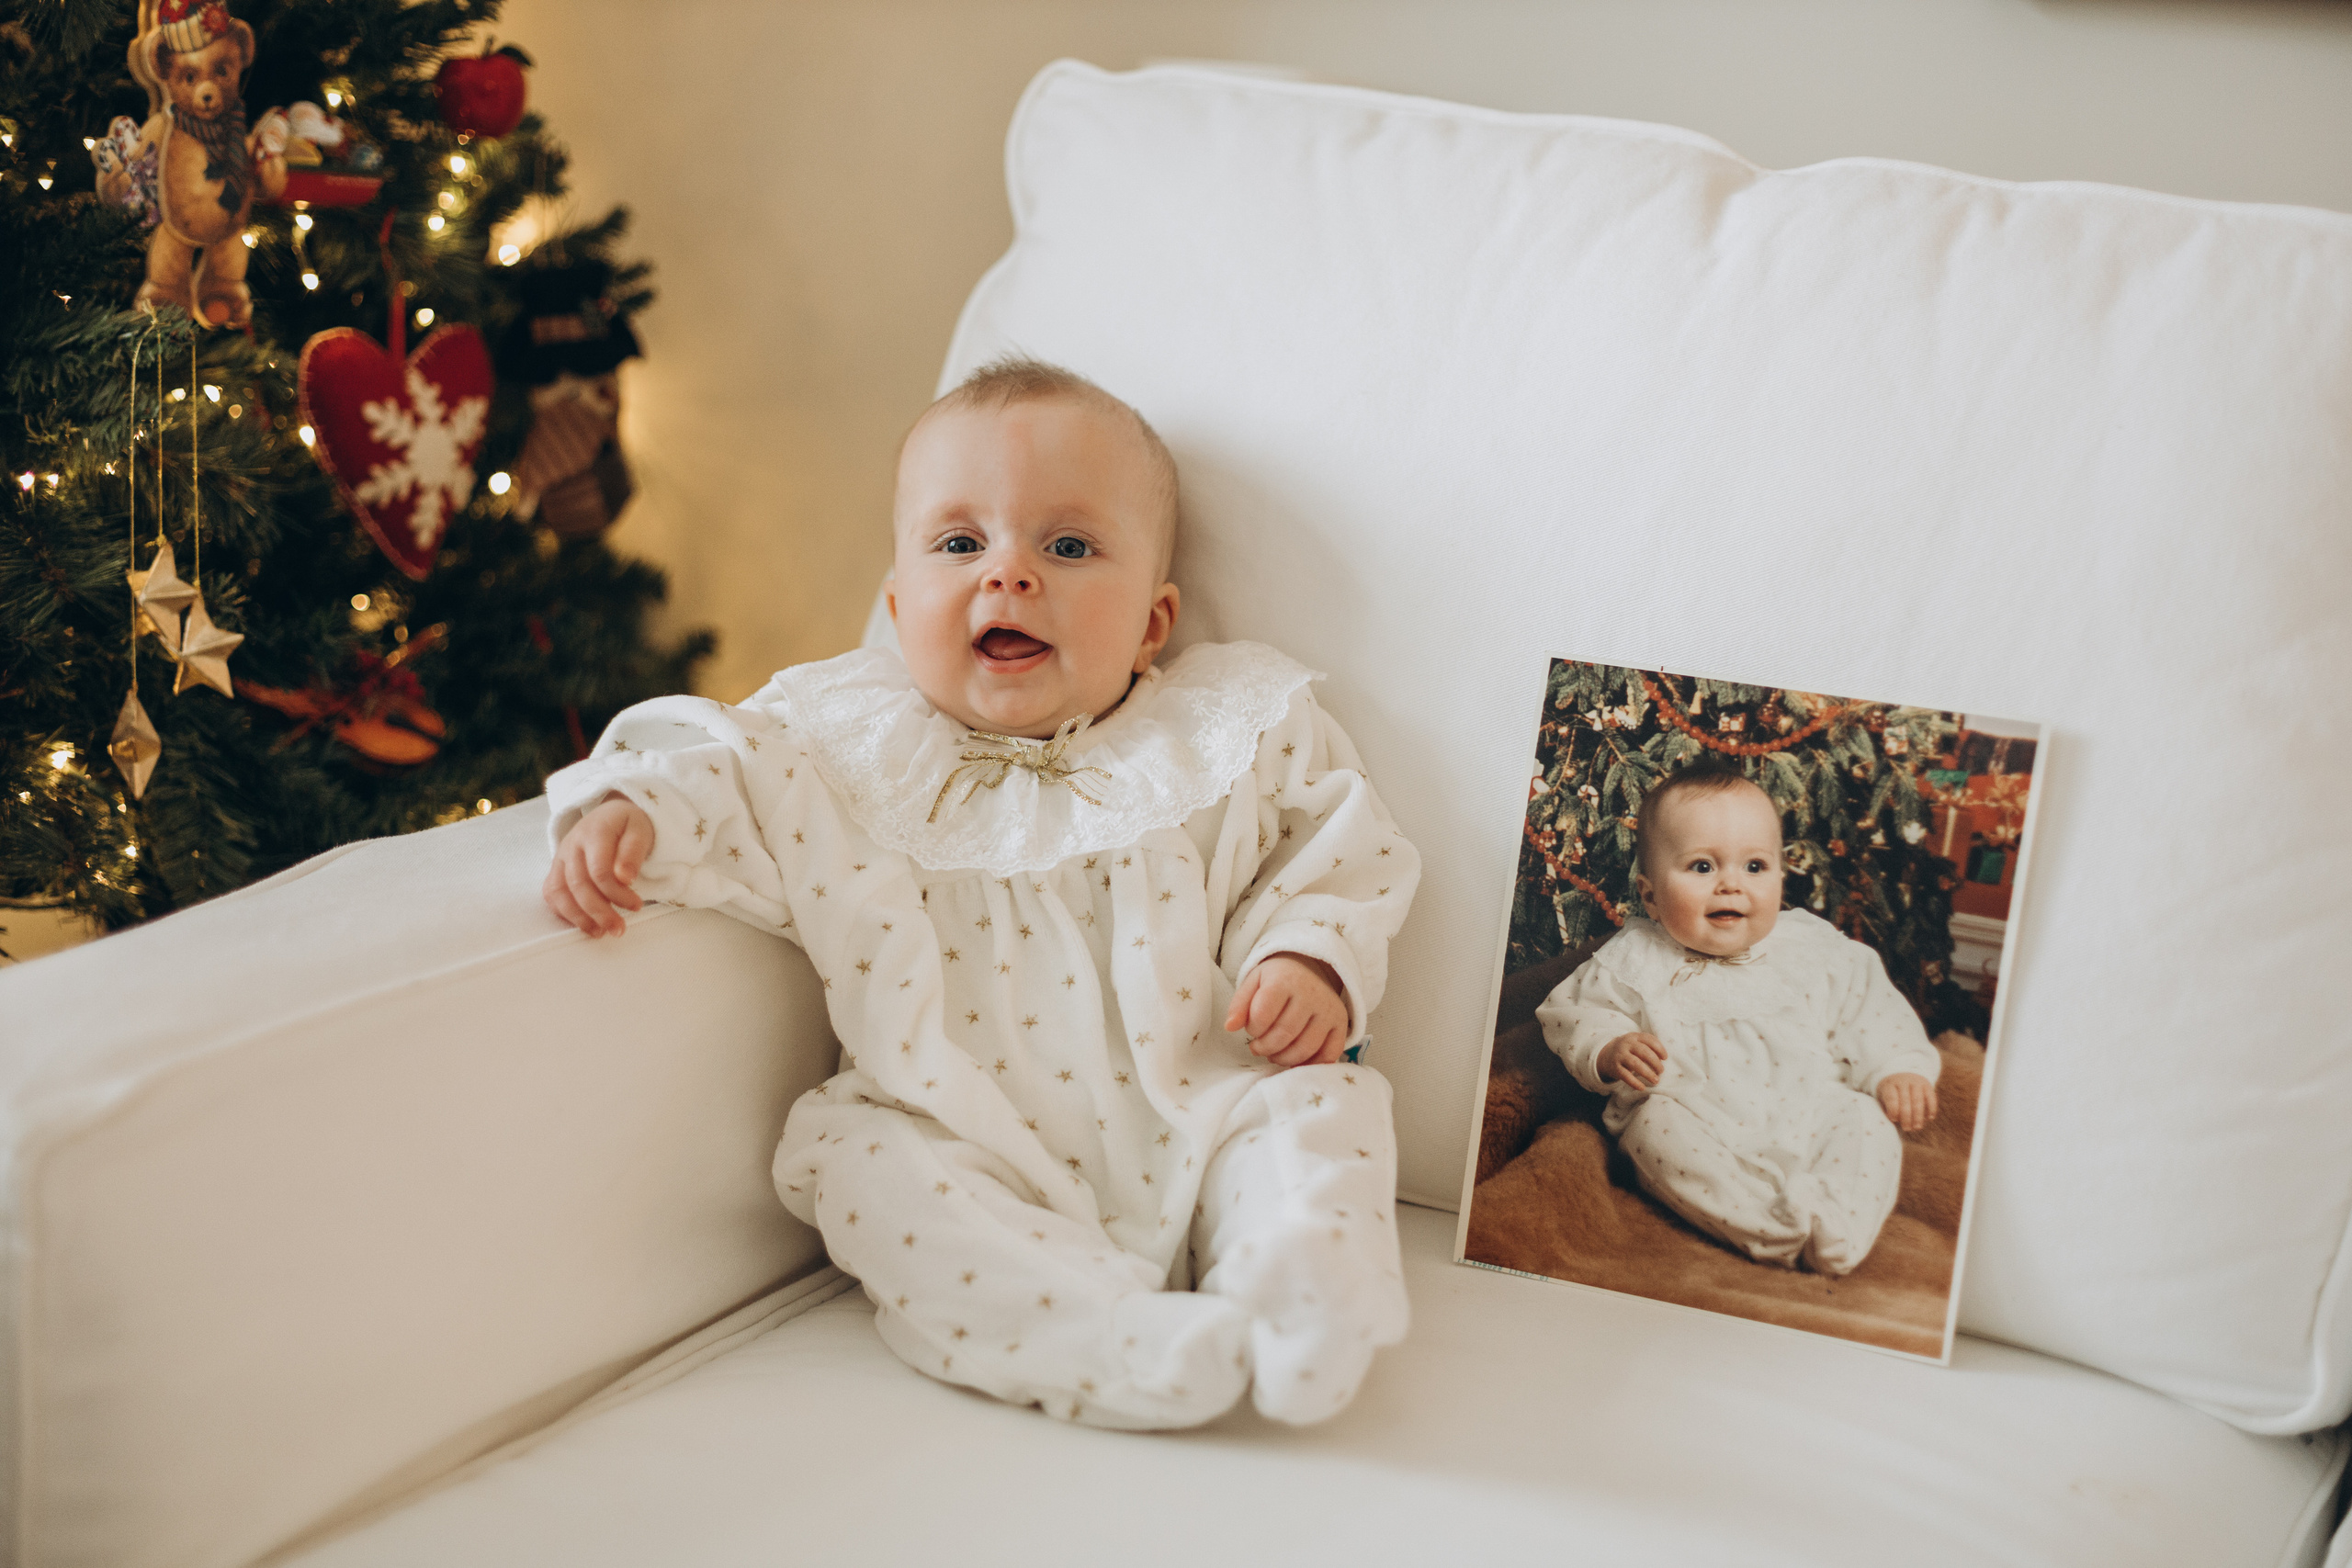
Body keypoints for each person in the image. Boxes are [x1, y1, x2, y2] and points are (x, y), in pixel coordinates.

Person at [541, 357, 1420, 1428]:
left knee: (1317, 1114)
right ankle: (1115, 1346)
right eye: (961, 544)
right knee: (865, 1166)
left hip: (1212, 1091)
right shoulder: (843, 745)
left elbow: (1336, 846)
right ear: (902, 603)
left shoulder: (1228, 731)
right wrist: (632, 809)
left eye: (1067, 546)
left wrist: (1309, 957)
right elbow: (720, 770)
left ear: (1152, 621)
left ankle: (1297, 1296)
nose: (1008, 575)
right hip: (953, 1125)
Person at [1535, 761, 1939, 1275]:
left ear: (1779, 874)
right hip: (1696, 1121)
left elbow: (1871, 1012)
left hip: (1809, 1111)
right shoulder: (1634, 957)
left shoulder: (1813, 950)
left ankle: (1836, 1225)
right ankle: (1774, 1230)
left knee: (1864, 1120)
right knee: (1650, 1128)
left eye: (1754, 867)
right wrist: (1610, 1048)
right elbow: (1574, 1012)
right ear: (1651, 896)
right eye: (1702, 867)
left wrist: (1896, 1067)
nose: (1730, 885)